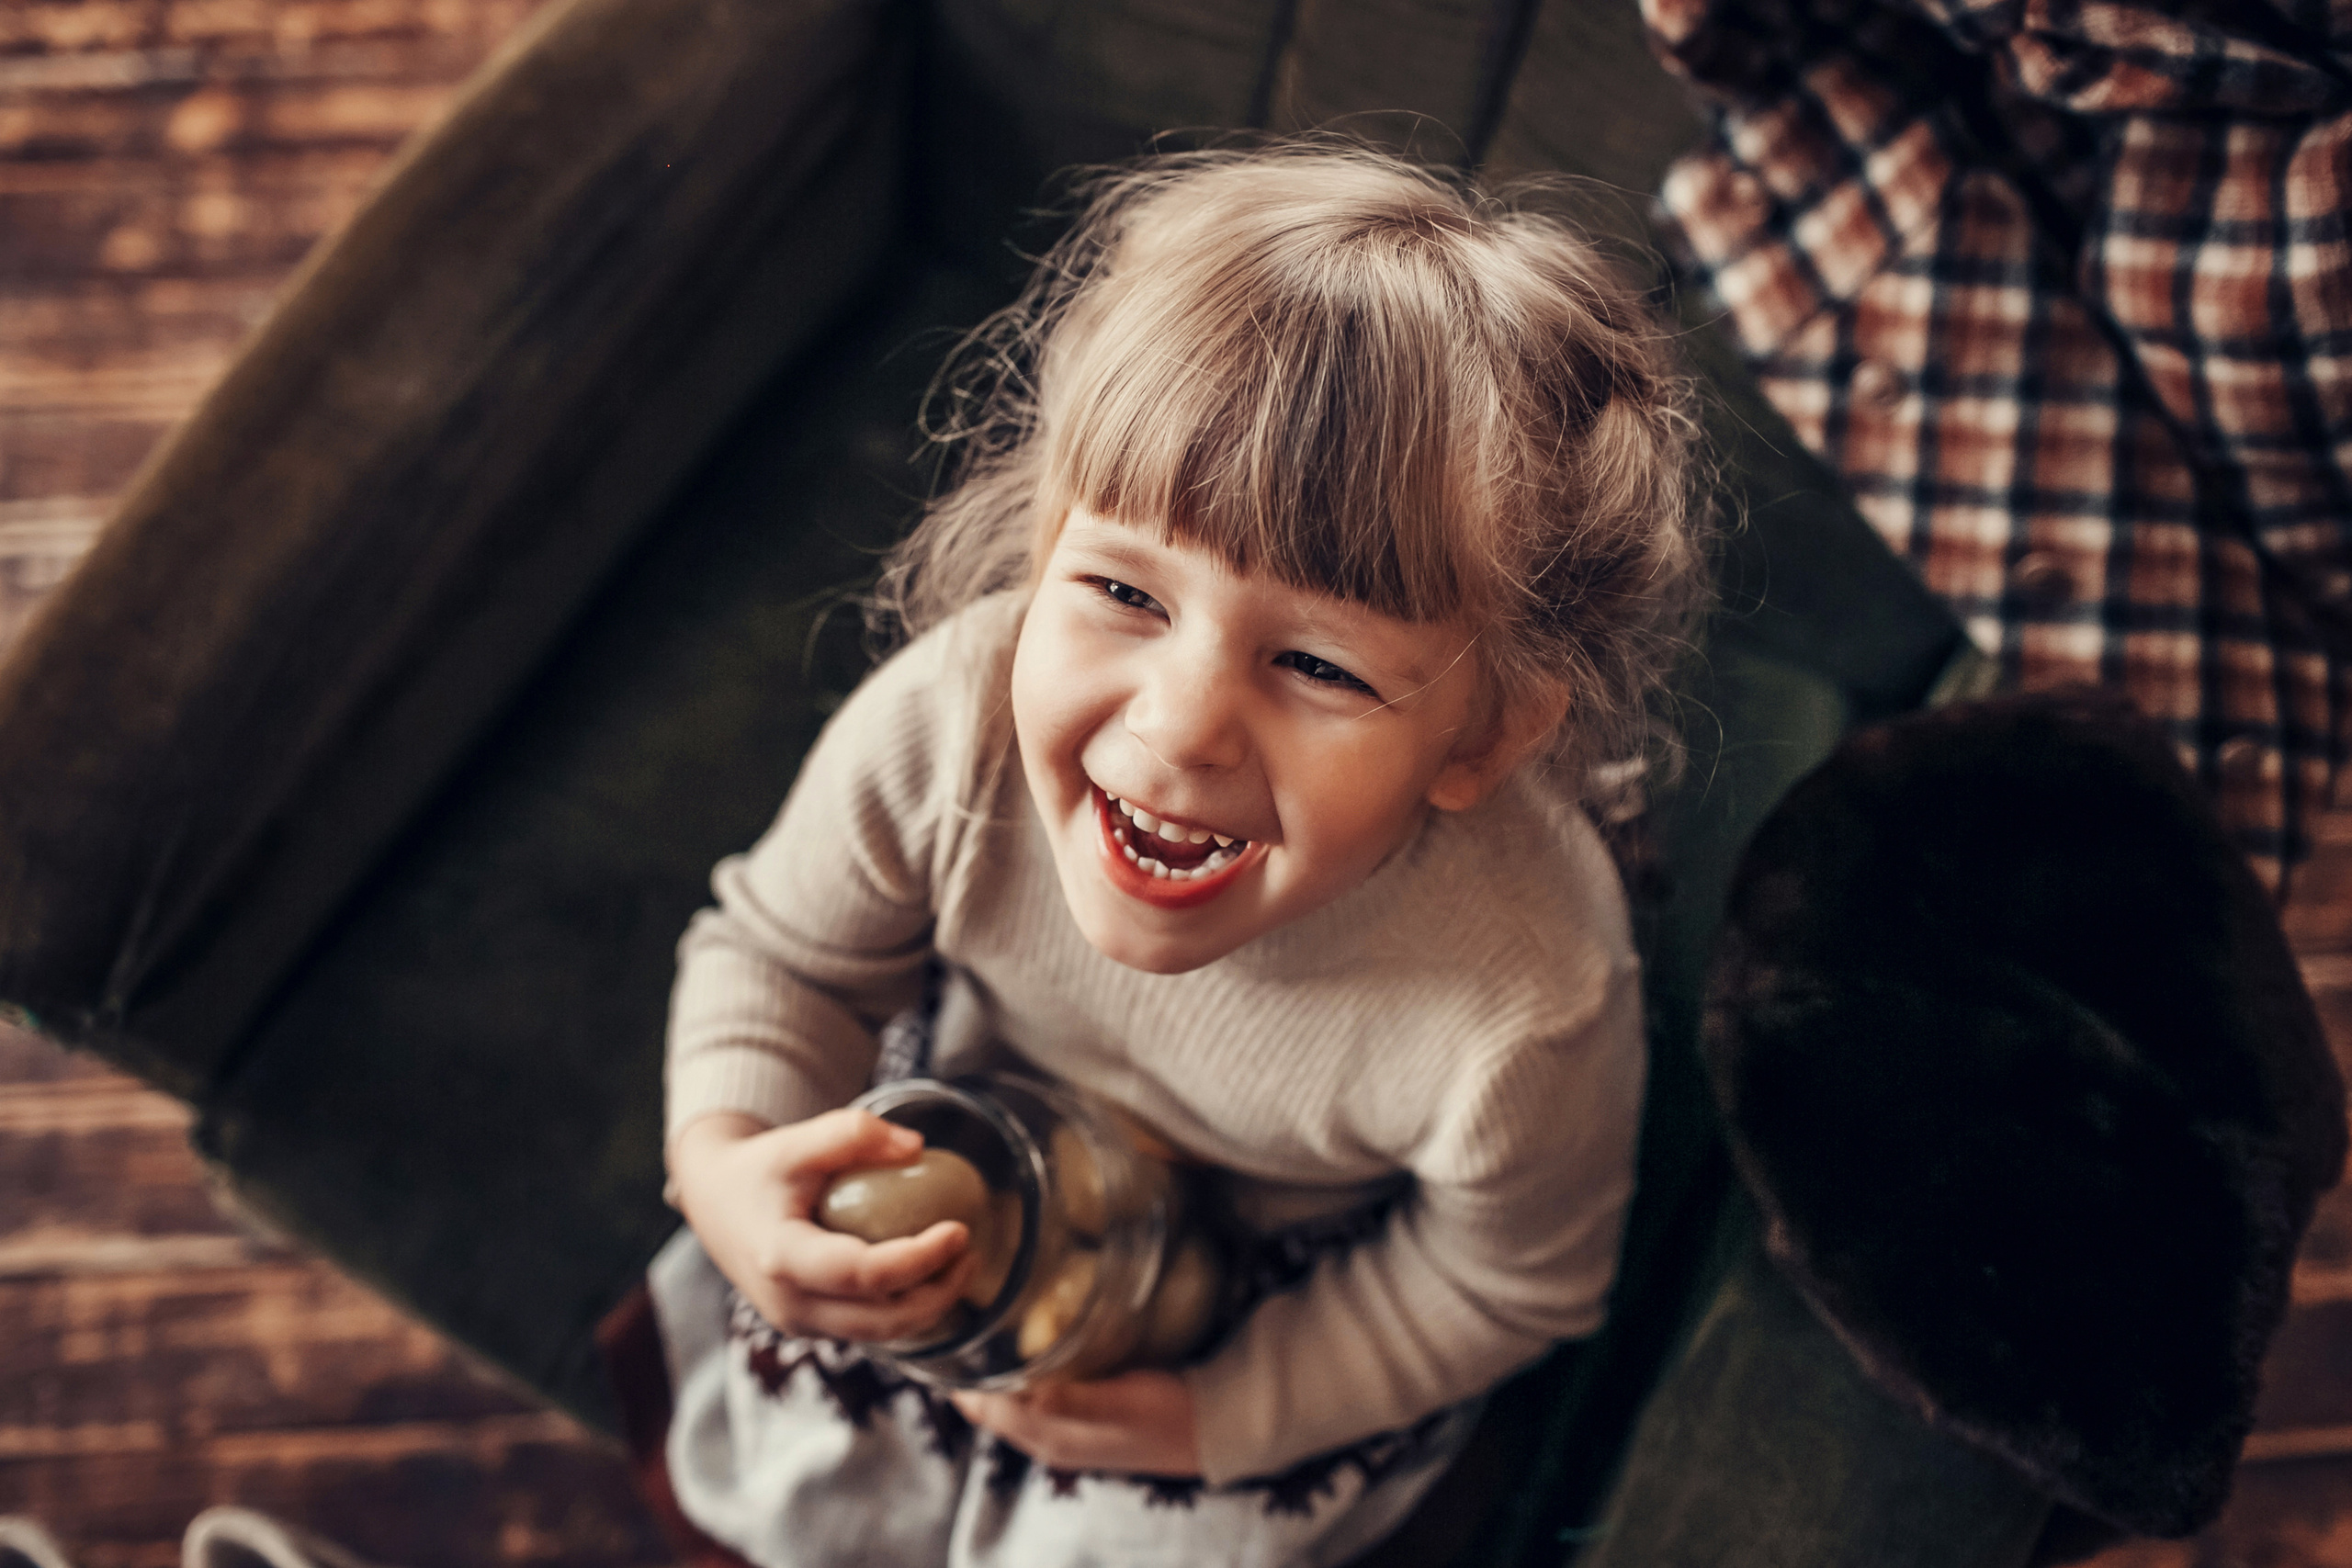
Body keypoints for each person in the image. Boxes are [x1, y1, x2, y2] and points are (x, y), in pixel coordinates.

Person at [642, 142, 1707, 1568]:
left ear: (1485, 738)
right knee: (805, 1453)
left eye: (1321, 665)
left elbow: (1508, 1284)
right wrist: (731, 1162)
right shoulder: (947, 729)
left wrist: (1231, 1414)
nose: (1183, 727)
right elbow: (781, 959)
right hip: (982, 1124)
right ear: (1043, 546)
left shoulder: (1528, 1000)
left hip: (1285, 1288)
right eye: (1122, 589)